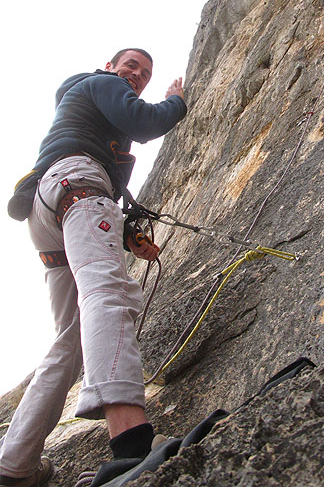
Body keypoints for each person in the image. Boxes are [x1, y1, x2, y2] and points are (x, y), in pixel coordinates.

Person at [0, 49, 187, 487]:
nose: (136, 76)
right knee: (109, 291)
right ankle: (131, 443)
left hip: (51, 209)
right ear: (109, 66)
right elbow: (146, 122)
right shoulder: (101, 83)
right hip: (77, 185)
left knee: (70, 341)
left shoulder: (84, 111)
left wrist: (124, 235)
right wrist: (176, 100)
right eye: (131, 67)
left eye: (144, 73)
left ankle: (14, 465)